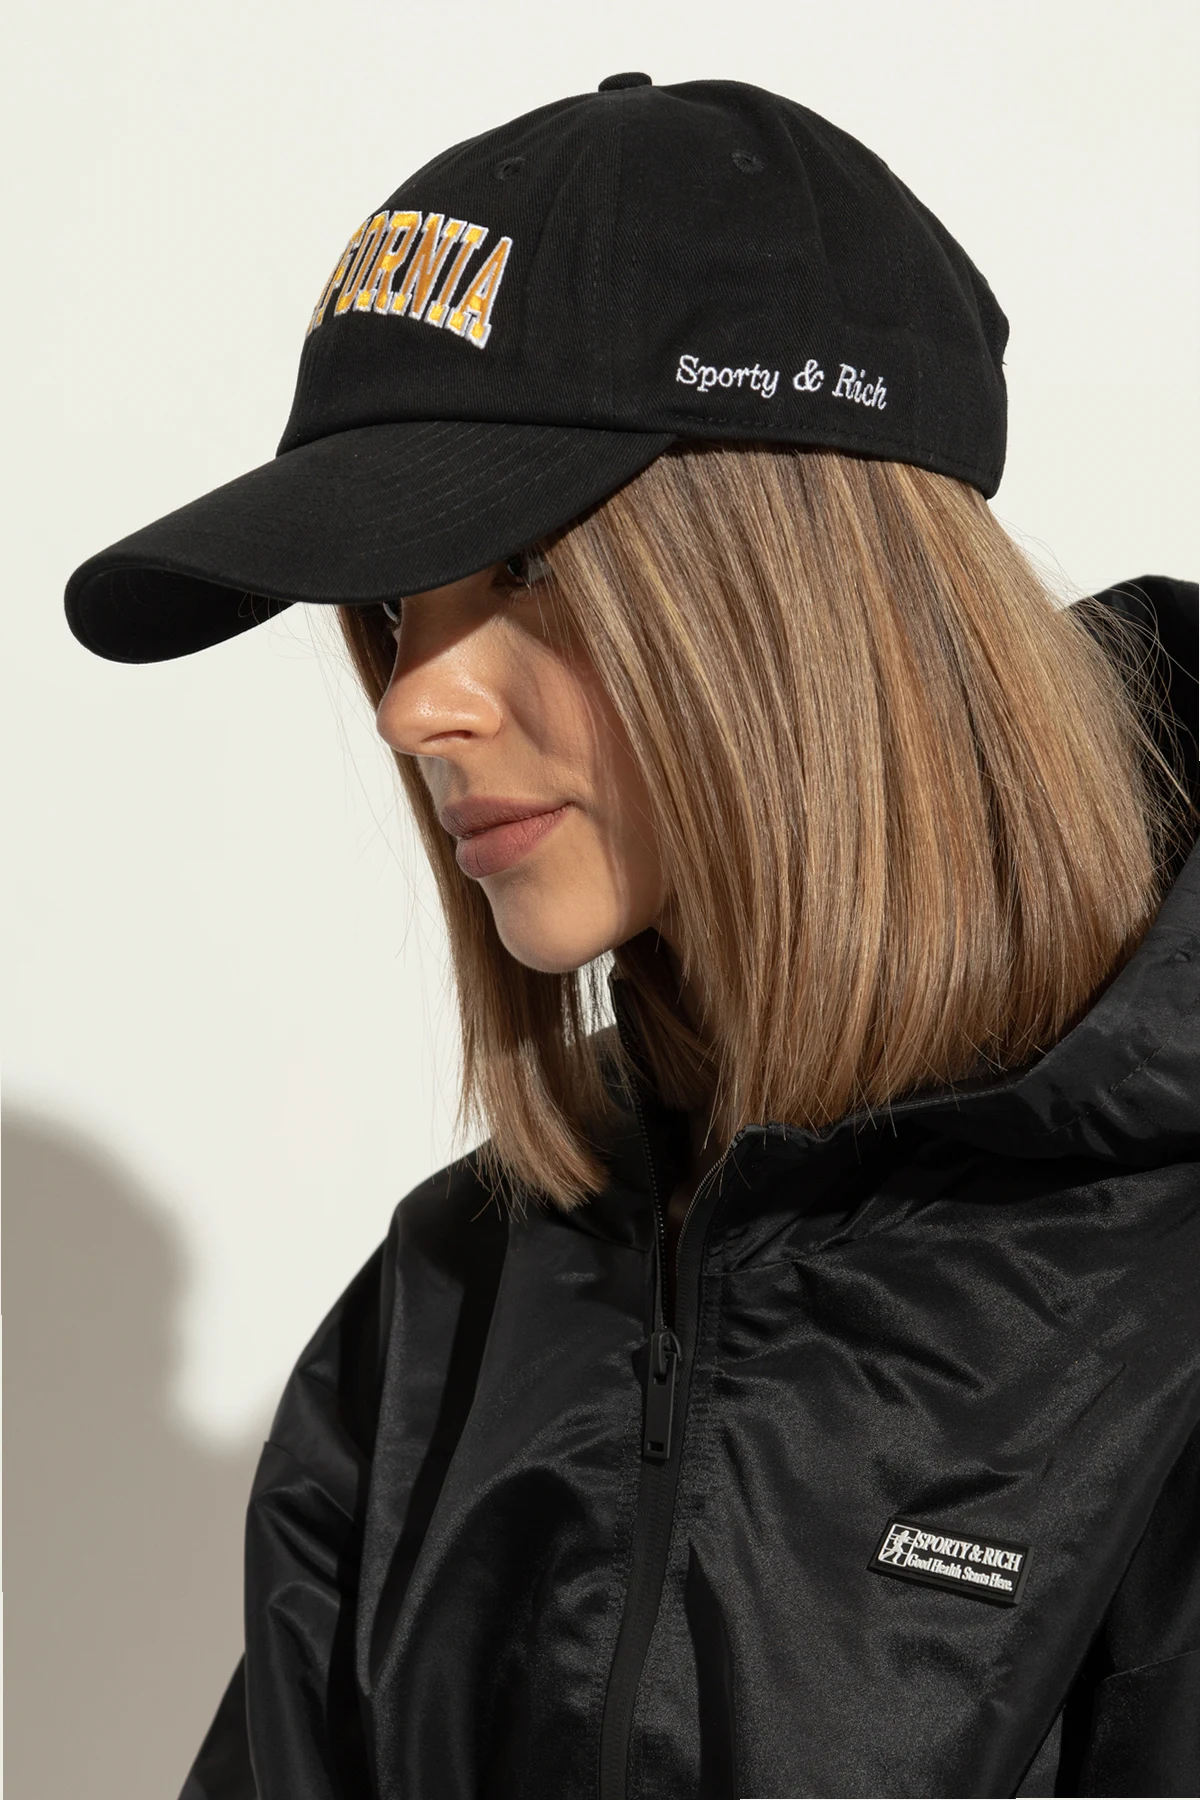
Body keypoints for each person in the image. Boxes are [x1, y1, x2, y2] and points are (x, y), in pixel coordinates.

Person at [64, 73, 1199, 1800]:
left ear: (793, 575)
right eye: (395, 608)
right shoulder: (451, 1301)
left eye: (522, 568)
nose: (412, 706)